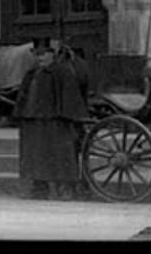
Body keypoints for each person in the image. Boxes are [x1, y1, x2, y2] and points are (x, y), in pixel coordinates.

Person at [15, 37, 93, 199]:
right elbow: (24, 98)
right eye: (37, 54)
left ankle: (64, 189)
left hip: (56, 123)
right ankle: (39, 188)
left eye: (44, 54)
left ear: (53, 54)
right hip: (35, 122)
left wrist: (70, 119)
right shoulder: (31, 74)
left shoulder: (63, 73)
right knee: (35, 155)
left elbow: (71, 99)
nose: (40, 58)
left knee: (60, 156)